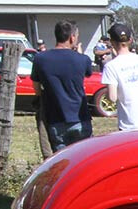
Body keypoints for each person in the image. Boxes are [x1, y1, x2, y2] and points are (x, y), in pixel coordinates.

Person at [29, 21, 93, 151]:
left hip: (55, 118)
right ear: (72, 37)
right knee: (84, 159)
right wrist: (79, 53)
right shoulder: (83, 59)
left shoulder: (40, 59)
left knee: (61, 164)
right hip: (80, 118)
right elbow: (87, 73)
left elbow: (37, 89)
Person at [100, 23, 138, 131]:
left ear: (112, 42)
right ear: (130, 40)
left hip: (129, 123)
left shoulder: (110, 66)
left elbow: (112, 97)